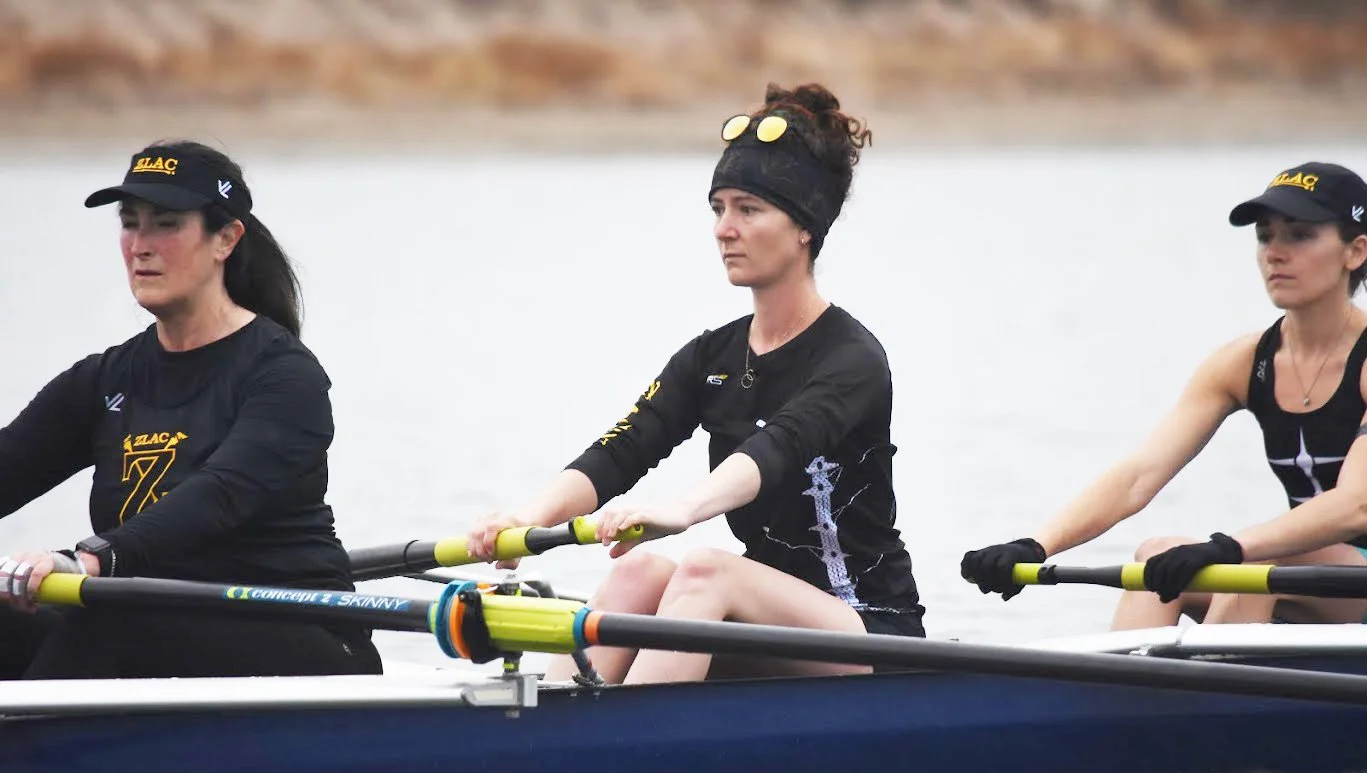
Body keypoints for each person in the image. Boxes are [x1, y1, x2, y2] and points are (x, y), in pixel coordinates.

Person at [468, 83, 924, 684]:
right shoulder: (711, 355)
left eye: (748, 210)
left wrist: (681, 510)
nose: (723, 229)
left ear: (804, 228)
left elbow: (777, 446)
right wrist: (526, 522)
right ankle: (554, 729)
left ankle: (622, 753)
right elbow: (620, 449)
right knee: (637, 573)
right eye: (719, 208)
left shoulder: (852, 359)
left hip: (869, 629)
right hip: (766, 617)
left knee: (706, 569)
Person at [0, 140, 381, 678]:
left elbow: (217, 498)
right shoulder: (104, 379)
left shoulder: (284, 376)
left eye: (166, 224)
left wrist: (87, 559)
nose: (140, 246)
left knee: (111, 616)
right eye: (130, 223)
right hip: (153, 624)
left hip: (304, 640)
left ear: (226, 238)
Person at [961, 162, 1367, 630]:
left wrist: (1231, 547)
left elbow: (1355, 502)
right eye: (1265, 235)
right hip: (1310, 576)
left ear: (1355, 252)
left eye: (1298, 235)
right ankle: (1120, 694)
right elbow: (1138, 476)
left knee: (1256, 562)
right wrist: (1037, 546)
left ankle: (1213, 690)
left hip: (1348, 580)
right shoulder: (1242, 362)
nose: (1275, 252)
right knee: (1155, 560)